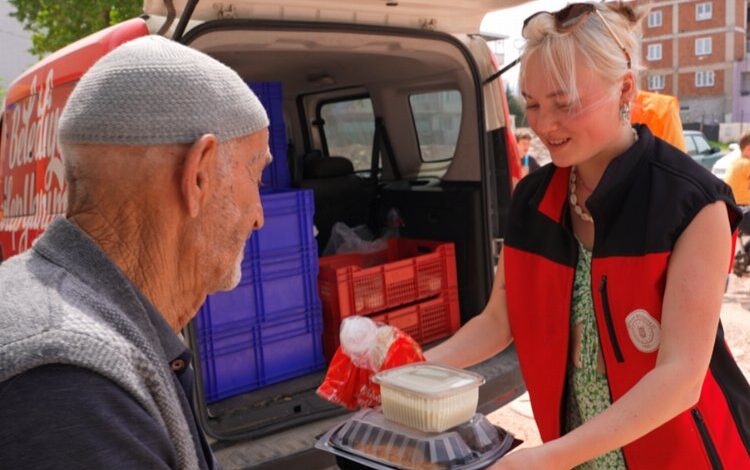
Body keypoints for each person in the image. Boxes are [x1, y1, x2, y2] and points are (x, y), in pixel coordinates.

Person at [425, 3, 749, 469]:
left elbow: (681, 379)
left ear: (625, 89)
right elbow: (499, 321)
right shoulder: (534, 198)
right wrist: (410, 370)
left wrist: (547, 459)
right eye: (532, 104)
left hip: (684, 453)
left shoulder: (692, 204)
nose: (543, 124)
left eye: (565, 103)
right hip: (578, 452)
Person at [0, 36, 270, 469]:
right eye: (257, 171)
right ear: (198, 175)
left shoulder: (77, 326)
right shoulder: (69, 386)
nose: (259, 216)